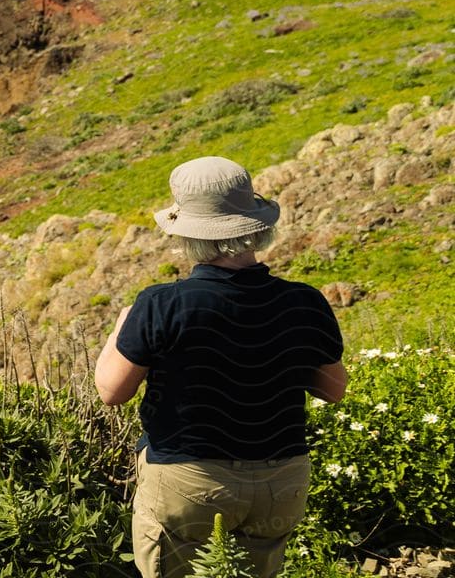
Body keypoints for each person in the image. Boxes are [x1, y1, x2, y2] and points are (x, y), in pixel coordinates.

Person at [93, 155, 347, 578]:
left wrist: (119, 331)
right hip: (281, 482)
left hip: (188, 480)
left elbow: (111, 391)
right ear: (257, 226)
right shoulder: (305, 301)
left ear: (186, 232)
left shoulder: (161, 303)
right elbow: (333, 389)